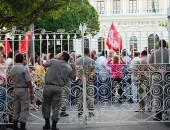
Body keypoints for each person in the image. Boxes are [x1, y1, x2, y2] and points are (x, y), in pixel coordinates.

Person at [42, 51, 76, 130]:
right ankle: (54, 125)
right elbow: (73, 77)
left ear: (63, 56)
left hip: (48, 86)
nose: (58, 55)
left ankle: (47, 124)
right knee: (56, 106)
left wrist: (53, 58)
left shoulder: (54, 62)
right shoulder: (68, 67)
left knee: (46, 104)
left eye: (60, 54)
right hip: (58, 88)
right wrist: (74, 67)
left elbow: (44, 64)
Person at [9, 53, 34, 130]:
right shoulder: (24, 69)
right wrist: (31, 91)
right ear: (22, 60)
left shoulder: (12, 69)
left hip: (15, 89)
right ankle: (22, 126)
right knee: (24, 108)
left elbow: (8, 79)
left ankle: (15, 125)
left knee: (16, 107)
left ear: (16, 60)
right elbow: (28, 82)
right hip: (23, 89)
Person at [149, 39, 170, 121]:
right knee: (167, 95)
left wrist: (158, 70)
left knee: (158, 95)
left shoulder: (154, 53)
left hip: (157, 76)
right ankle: (167, 113)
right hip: (167, 76)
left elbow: (150, 65)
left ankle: (158, 115)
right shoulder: (169, 52)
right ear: (166, 45)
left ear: (158, 45)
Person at [75, 48, 96, 117]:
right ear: (88, 53)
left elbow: (75, 71)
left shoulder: (77, 60)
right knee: (89, 96)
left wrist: (80, 77)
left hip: (80, 81)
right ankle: (90, 111)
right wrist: (90, 76)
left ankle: (80, 112)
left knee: (80, 96)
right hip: (89, 80)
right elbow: (94, 70)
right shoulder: (91, 60)